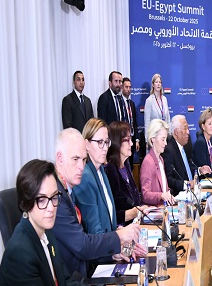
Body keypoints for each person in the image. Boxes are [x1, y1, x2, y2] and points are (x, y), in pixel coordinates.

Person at [0, 159, 124, 286]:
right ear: (26, 202)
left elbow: (66, 282)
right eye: (42, 200)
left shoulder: (46, 231)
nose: (51, 208)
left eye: (54, 197)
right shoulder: (19, 252)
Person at [52, 128, 141, 277]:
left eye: (83, 160)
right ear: (60, 158)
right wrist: (119, 236)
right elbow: (82, 245)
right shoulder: (56, 197)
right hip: (76, 281)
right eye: (75, 159)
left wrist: (113, 252)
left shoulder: (68, 190)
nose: (81, 166)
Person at [72, 119, 118, 235]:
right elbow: (93, 229)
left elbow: (109, 219)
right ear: (87, 144)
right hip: (100, 244)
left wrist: (119, 233)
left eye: (106, 142)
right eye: (100, 142)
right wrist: (117, 238)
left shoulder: (101, 170)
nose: (105, 147)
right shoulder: (85, 176)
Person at [105, 121, 147, 224]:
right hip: (122, 229)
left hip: (136, 224)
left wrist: (141, 209)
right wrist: (133, 213)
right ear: (116, 142)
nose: (131, 144)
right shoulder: (109, 170)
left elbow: (135, 200)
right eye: (127, 140)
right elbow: (110, 214)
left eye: (131, 139)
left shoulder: (126, 165)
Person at [162, 115, 203, 195]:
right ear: (176, 132)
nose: (188, 132)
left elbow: (186, 170)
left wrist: (199, 170)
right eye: (185, 128)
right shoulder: (169, 150)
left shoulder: (184, 146)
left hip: (192, 191)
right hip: (180, 195)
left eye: (188, 128)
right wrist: (187, 184)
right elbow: (169, 180)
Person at [141, 119, 176, 206]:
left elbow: (164, 188)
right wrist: (161, 195)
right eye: (163, 140)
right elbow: (145, 195)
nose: (166, 143)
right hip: (155, 210)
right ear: (153, 139)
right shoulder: (148, 162)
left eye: (166, 139)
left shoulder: (161, 159)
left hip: (164, 208)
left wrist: (169, 196)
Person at [193, 108, 212, 173]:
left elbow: (211, 163)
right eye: (209, 124)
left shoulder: (210, 141)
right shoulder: (200, 143)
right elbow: (205, 170)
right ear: (203, 126)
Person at [121, 77, 140, 155]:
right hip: (123, 138)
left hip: (132, 137)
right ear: (122, 87)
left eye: (130, 87)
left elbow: (134, 122)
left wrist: (137, 139)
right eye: (126, 87)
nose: (128, 89)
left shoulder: (131, 103)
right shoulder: (119, 102)